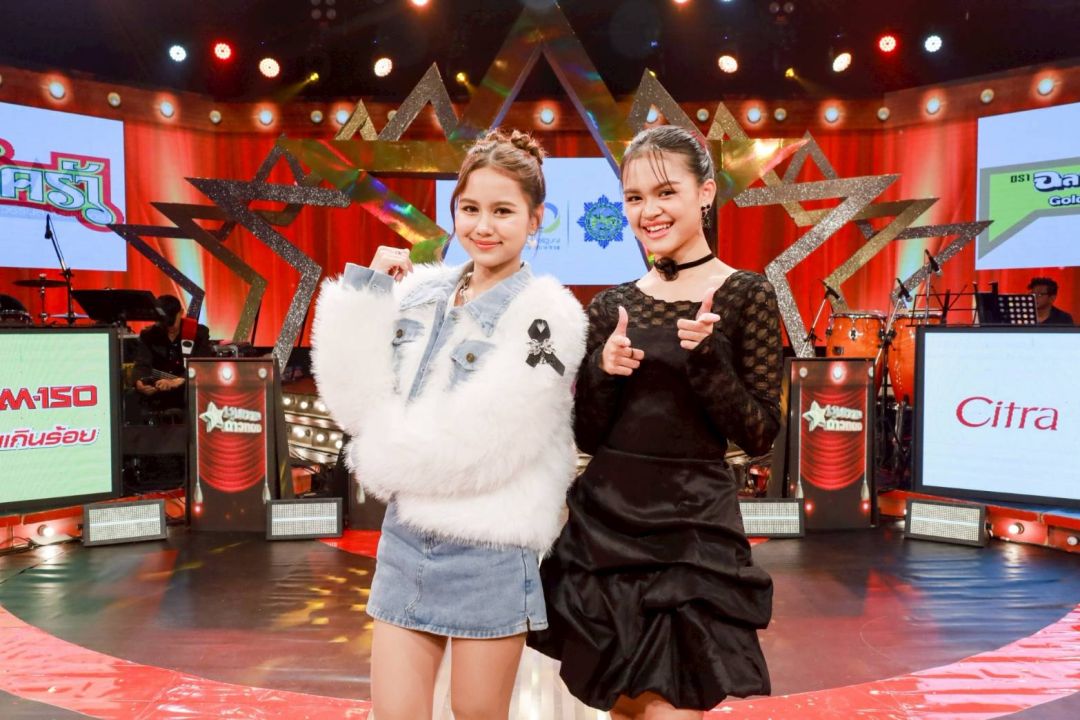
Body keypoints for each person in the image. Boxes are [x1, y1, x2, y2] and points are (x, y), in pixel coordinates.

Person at [310, 129, 586, 720]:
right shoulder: (419, 294)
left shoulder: (549, 315)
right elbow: (352, 400)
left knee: (476, 714)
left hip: (490, 548)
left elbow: (486, 443)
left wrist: (381, 454)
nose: (483, 226)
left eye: (503, 211)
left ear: (536, 219)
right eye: (470, 208)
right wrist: (365, 297)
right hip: (405, 538)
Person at [528, 125, 783, 720]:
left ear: (705, 193)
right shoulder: (609, 305)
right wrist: (602, 371)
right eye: (635, 197)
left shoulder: (746, 294)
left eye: (666, 192)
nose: (649, 211)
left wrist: (708, 363)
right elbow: (588, 434)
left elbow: (759, 433)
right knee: (626, 708)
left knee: (674, 705)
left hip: (693, 533)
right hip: (607, 530)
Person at [132, 294, 213, 414]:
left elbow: (203, 366)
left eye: (172, 322)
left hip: (187, 390)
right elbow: (141, 364)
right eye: (164, 323)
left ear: (181, 312)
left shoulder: (198, 333)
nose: (170, 327)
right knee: (131, 398)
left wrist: (178, 381)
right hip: (157, 392)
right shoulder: (148, 335)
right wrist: (139, 383)